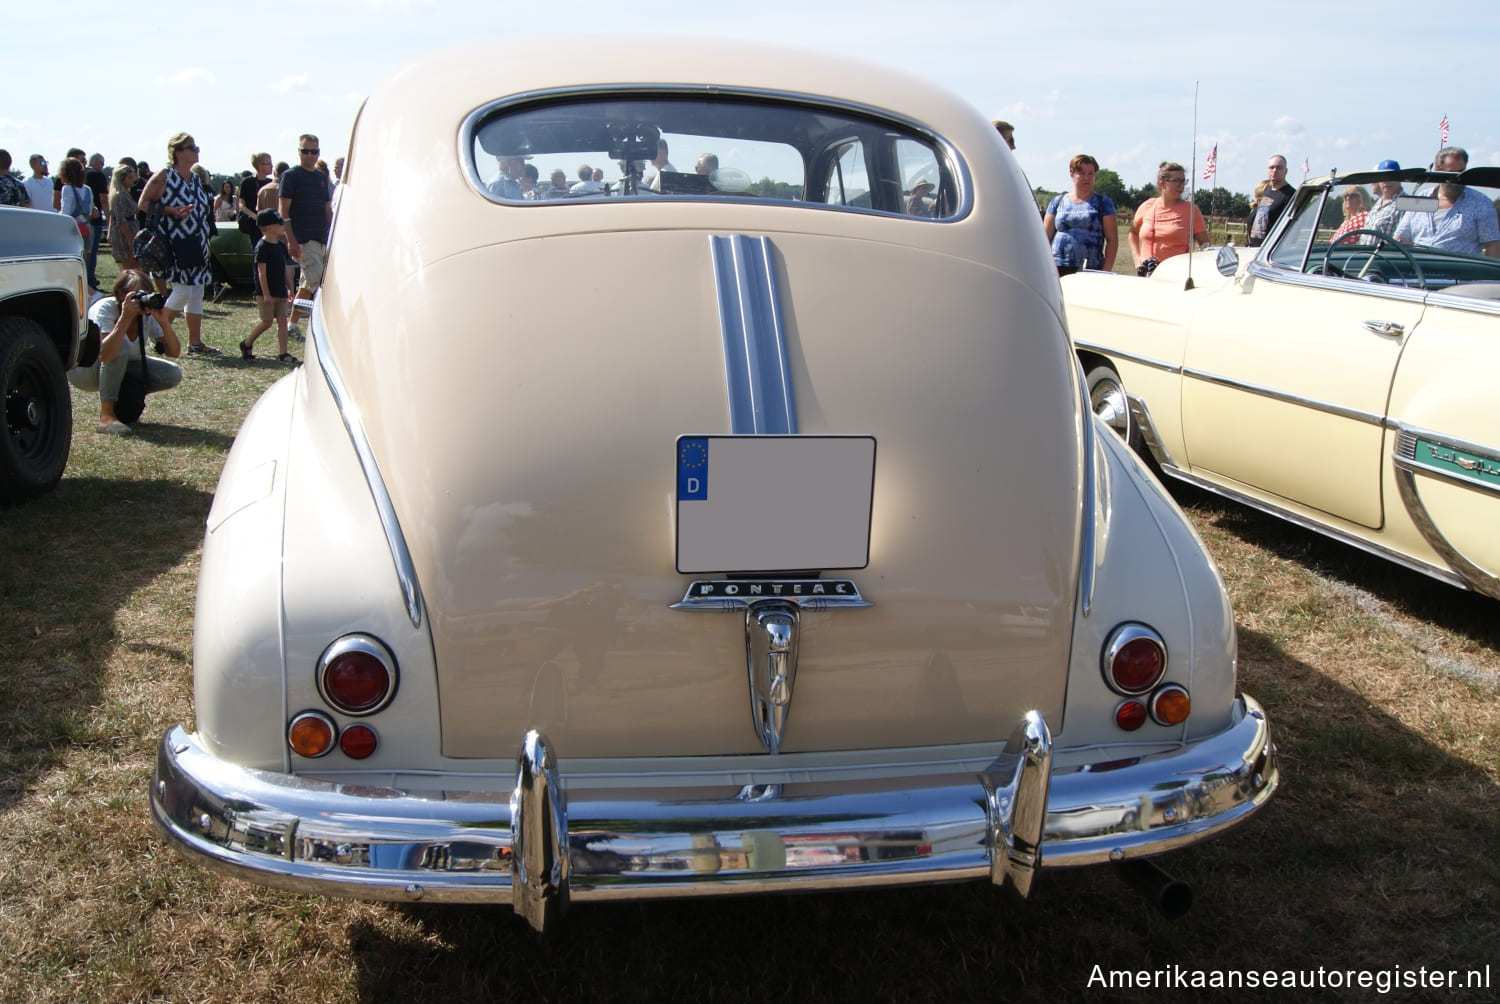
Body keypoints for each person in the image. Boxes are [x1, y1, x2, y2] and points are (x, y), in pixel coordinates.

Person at [67, 269, 182, 434]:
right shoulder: (105, 308)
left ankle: (126, 401)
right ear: (121, 295)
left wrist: (163, 322)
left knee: (172, 373)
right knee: (119, 347)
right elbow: (105, 354)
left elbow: (174, 352)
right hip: (85, 370)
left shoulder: (146, 314)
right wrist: (125, 318)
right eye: (138, 294)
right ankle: (106, 416)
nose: (144, 298)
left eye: (147, 293)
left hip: (121, 364)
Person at [138, 132, 216, 354]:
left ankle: (195, 343)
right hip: (176, 242)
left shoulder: (194, 178)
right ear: (178, 152)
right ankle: (155, 334)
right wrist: (171, 211)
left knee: (196, 292)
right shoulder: (165, 175)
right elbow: (143, 203)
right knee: (181, 291)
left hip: (197, 242)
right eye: (192, 147)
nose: (197, 151)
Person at [279, 134, 333, 334]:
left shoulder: (320, 177)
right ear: (299, 152)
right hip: (303, 239)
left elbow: (327, 208)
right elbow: (283, 211)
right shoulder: (291, 176)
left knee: (307, 284)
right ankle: (323, 327)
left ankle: (292, 325)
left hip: (320, 238)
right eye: (305, 151)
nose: (310, 155)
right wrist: (291, 240)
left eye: (314, 151)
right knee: (320, 282)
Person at [240, 209, 297, 365]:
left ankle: (283, 352)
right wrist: (266, 294)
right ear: (269, 227)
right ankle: (247, 343)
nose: (283, 227)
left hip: (280, 291)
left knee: (282, 321)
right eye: (280, 224)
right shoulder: (262, 247)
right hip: (266, 293)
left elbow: (285, 270)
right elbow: (261, 272)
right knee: (267, 322)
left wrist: (290, 289)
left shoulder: (280, 246)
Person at [1044, 154, 1118, 274]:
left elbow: (1112, 239)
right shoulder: (1057, 202)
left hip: (1091, 268)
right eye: (1082, 173)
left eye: (1090, 174)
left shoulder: (1103, 203)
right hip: (1057, 267)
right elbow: (1045, 238)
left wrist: (1105, 272)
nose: (1086, 178)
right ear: (1071, 174)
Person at [1129, 161, 1207, 273]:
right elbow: (1132, 232)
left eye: (1182, 181)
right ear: (1162, 184)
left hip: (1177, 275)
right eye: (1175, 181)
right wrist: (1137, 260)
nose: (1180, 185)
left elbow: (1204, 244)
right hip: (1147, 275)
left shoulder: (1191, 210)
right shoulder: (1147, 206)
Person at [1246, 155, 1295, 246]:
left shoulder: (1290, 195)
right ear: (1267, 170)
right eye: (1271, 167)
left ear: (1286, 171)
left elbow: (1292, 228)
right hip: (1254, 247)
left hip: (1271, 250)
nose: (1275, 170)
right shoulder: (1267, 190)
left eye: (1279, 168)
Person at [58, 158, 98, 258]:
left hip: (73, 230)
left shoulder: (67, 189)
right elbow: (89, 211)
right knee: (85, 259)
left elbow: (65, 213)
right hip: (87, 229)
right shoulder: (88, 189)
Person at [108, 162, 142, 270]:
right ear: (121, 179)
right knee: (129, 266)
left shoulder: (126, 193)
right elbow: (120, 220)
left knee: (135, 266)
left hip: (131, 229)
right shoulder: (120, 196)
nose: (133, 180)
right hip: (124, 234)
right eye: (129, 177)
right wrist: (130, 240)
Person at [84, 154, 110, 287]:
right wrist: (109, 219)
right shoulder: (97, 175)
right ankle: (89, 279)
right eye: (101, 163)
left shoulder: (79, 173)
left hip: (80, 220)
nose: (102, 166)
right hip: (95, 218)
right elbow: (104, 199)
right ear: (94, 162)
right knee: (92, 252)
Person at [1364, 160, 1405, 237]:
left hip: (1387, 249)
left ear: (1400, 178)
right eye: (1383, 177)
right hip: (1366, 249)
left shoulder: (1404, 204)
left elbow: (1403, 238)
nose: (1386, 181)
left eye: (1391, 177)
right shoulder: (1378, 203)